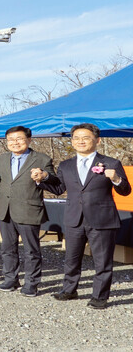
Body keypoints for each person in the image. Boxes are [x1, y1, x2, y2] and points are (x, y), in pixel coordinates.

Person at [49, 123, 132, 308]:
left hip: (102, 219)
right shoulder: (65, 165)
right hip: (74, 218)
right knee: (71, 258)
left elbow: (125, 190)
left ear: (97, 140)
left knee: (102, 261)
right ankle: (69, 290)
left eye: (86, 137)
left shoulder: (111, 163)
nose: (81, 141)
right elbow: (58, 188)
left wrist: (116, 179)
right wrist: (43, 180)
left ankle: (100, 297)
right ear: (72, 141)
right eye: (76, 138)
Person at [0, 125, 57, 296]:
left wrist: (44, 176)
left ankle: (31, 283)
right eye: (10, 139)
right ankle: (10, 279)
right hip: (5, 210)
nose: (15, 142)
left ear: (29, 140)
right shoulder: (2, 158)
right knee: (7, 248)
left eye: (19, 139)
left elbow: (55, 182)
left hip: (29, 210)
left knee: (31, 250)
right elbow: (3, 182)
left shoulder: (41, 158)